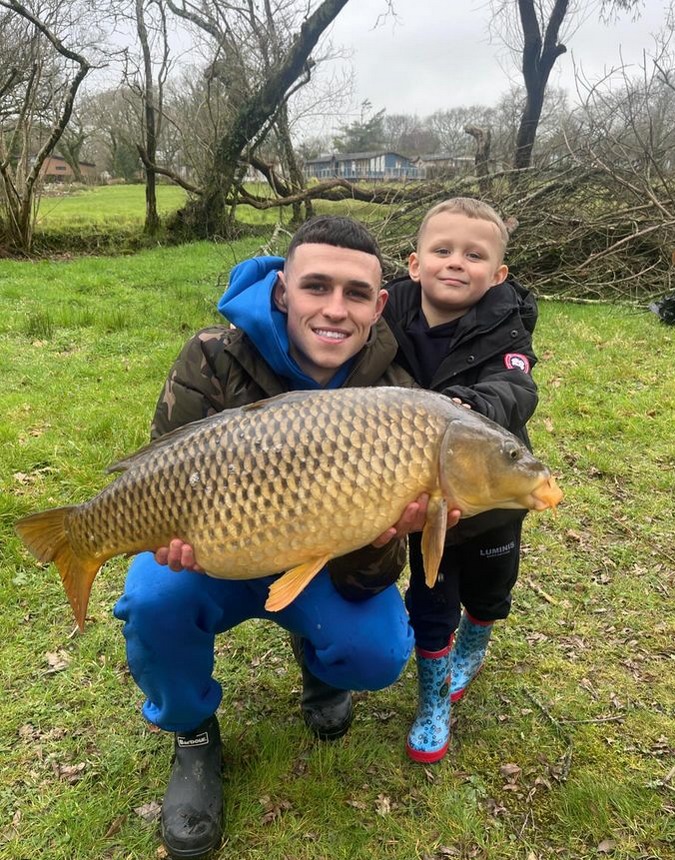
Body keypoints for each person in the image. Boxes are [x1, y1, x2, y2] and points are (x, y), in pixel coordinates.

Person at [113, 215, 458, 860]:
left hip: (320, 565)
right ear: (282, 291)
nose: (335, 309)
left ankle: (321, 667)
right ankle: (191, 735)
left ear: (379, 303)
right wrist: (167, 536)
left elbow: (370, 578)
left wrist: (388, 535)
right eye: (316, 287)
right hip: (218, 549)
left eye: (356, 294)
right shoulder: (213, 353)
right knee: (154, 601)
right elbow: (164, 469)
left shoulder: (397, 397)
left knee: (378, 651)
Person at [383, 197, 539, 764]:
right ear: (415, 262)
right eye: (442, 250)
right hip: (428, 500)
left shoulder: (507, 326)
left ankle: (475, 641)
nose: (456, 262)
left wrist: (464, 406)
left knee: (490, 591)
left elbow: (517, 390)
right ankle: (432, 699)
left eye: (474, 255)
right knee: (429, 599)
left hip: (493, 496)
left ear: (497, 274)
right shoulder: (388, 315)